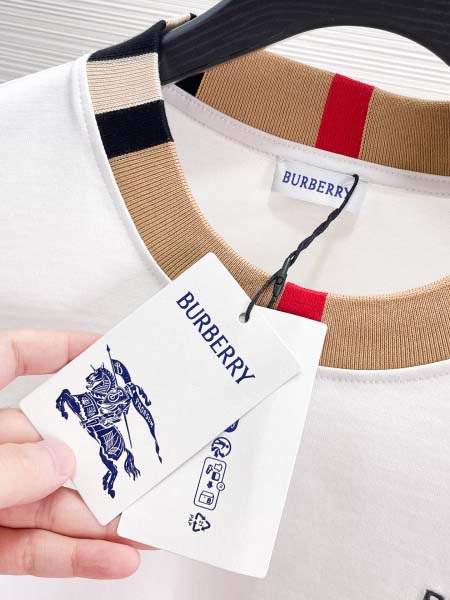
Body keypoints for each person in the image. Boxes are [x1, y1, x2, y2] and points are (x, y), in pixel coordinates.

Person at [0, 329, 146, 579]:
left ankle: (111, 475)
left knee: (107, 453)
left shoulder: (117, 397)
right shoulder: (99, 391)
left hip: (105, 423)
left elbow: (118, 409)